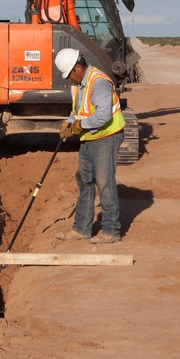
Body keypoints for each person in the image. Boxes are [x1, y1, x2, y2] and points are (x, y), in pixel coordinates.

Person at [53, 47, 125, 244]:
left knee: (104, 182)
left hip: (106, 137)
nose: (68, 79)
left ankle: (111, 231)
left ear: (78, 67)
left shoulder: (99, 82)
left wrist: (79, 125)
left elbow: (103, 115)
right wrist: (69, 123)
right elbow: (78, 110)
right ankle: (81, 229)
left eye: (69, 74)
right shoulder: (78, 84)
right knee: (85, 181)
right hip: (89, 138)